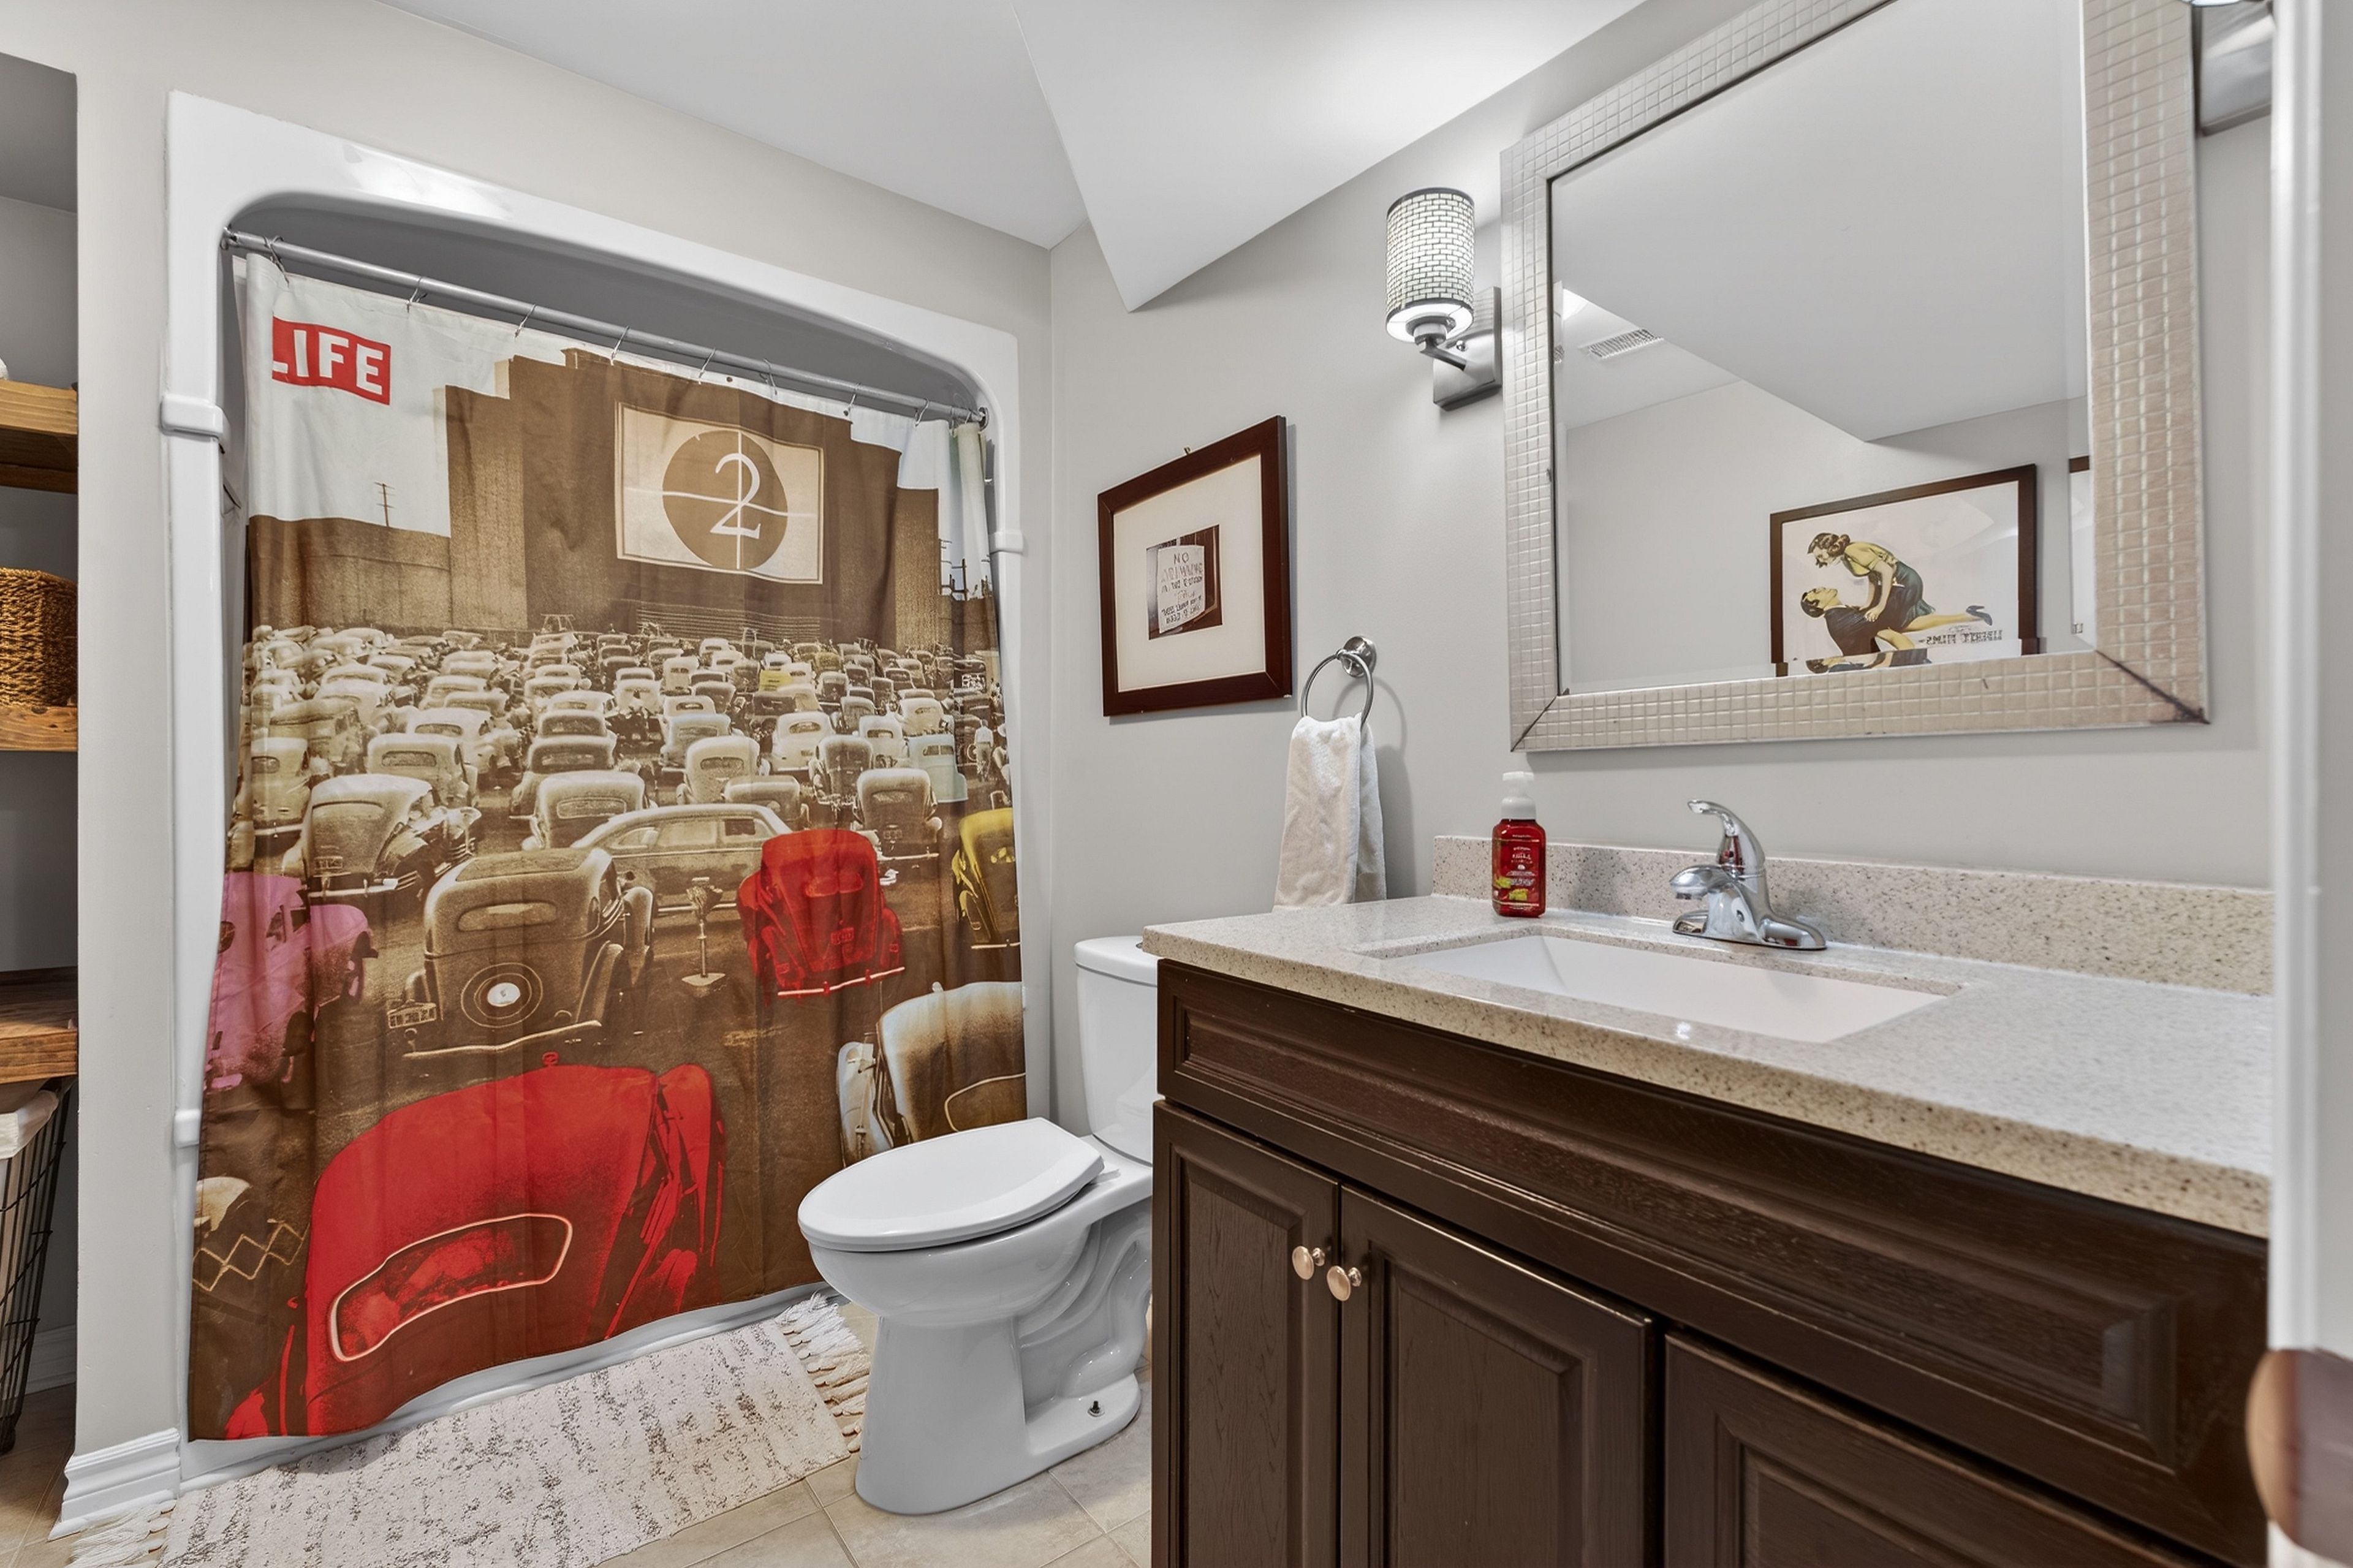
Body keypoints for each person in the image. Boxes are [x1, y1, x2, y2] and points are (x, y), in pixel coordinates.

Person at [1806, 532, 1991, 643]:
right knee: (1902, 625)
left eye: (1820, 556)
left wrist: (1879, 607)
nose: (1820, 561)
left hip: (1904, 582)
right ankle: (1969, 616)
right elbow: (1872, 577)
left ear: (1829, 547)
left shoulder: (1851, 551)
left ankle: (1968, 616)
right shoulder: (1846, 557)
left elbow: (1886, 572)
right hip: (1896, 583)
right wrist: (1868, 604)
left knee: (1893, 624)